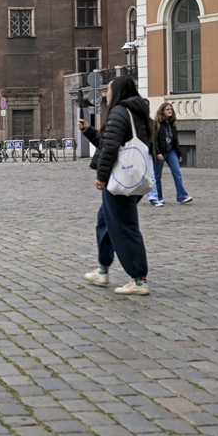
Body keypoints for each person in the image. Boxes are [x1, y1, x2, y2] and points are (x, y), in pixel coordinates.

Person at [77, 75, 153, 296]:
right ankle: (103, 269)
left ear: (118, 91)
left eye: (108, 90)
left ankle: (138, 279)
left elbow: (110, 148)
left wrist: (101, 177)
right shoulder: (137, 113)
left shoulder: (119, 111)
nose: (106, 93)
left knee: (124, 227)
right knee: (106, 222)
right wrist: (89, 131)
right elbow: (110, 143)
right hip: (131, 177)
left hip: (119, 180)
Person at [147, 102, 193, 207]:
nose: (170, 111)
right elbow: (154, 140)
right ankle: (158, 197)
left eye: (171, 109)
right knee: (157, 176)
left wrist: (178, 153)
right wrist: (158, 152)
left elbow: (175, 139)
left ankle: (182, 196)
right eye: (167, 109)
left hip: (171, 151)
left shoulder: (172, 123)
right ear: (162, 111)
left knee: (177, 172)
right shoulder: (157, 124)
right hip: (161, 152)